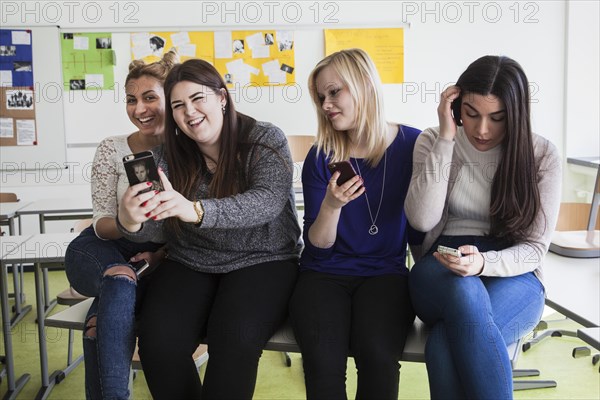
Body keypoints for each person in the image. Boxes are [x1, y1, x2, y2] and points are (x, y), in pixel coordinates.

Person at [116, 58, 302, 399]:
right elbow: (150, 231)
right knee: (158, 344)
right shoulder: (163, 158)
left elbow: (267, 202)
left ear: (221, 98)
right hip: (191, 260)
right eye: (178, 105)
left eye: (197, 98)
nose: (189, 112)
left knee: (234, 341)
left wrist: (196, 210)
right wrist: (130, 219)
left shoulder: (264, 138)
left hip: (264, 259)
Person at [405, 55, 562, 399]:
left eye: (497, 118)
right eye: (471, 114)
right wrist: (447, 138)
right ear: (456, 106)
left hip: (514, 271)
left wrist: (483, 264)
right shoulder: (433, 141)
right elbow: (420, 219)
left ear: (516, 114)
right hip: (441, 266)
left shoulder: (542, 155)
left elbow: (534, 249)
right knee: (464, 290)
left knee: (444, 346)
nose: (481, 130)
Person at [289, 48, 421, 399]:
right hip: (323, 273)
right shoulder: (320, 156)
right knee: (322, 364)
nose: (326, 104)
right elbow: (318, 244)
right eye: (321, 97)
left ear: (364, 85)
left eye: (335, 92)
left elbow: (427, 217)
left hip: (385, 273)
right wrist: (332, 206)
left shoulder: (413, 144)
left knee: (378, 357)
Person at [64, 49, 179, 400]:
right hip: (99, 249)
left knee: (100, 321)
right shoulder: (111, 148)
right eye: (131, 100)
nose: (139, 109)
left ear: (170, 99)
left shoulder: (190, 150)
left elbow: (196, 222)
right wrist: (127, 221)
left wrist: (159, 256)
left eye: (149, 97)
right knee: (118, 274)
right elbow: (99, 224)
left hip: (159, 261)